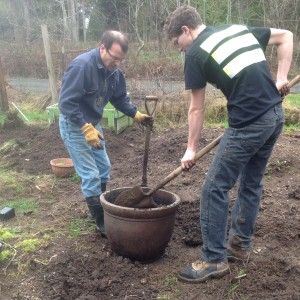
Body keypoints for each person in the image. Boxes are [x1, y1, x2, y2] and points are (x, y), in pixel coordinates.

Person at [164, 5, 293, 283]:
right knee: (250, 183)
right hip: (274, 116)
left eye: (178, 44)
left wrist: (191, 148)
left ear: (186, 31)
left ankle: (213, 260)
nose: (180, 50)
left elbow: (196, 109)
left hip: (249, 122)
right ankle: (239, 246)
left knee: (213, 188)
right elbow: (286, 36)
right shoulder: (236, 30)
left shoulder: (196, 52)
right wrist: (281, 76)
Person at [58, 30, 152, 236]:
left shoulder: (115, 73)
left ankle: (98, 207)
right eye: (115, 57)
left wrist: (135, 114)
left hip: (93, 124)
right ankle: (101, 222)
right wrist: (84, 127)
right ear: (102, 48)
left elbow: (119, 99)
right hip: (75, 124)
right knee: (90, 175)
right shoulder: (82, 67)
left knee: (103, 167)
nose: (117, 63)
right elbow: (66, 103)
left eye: (121, 60)